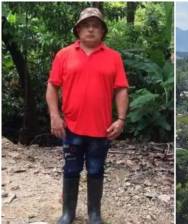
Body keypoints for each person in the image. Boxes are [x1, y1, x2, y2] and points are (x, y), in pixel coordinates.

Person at [46, 7, 129, 224]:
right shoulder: (64, 55)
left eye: (96, 26)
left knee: (96, 169)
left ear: (103, 31)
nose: (91, 29)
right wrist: (54, 116)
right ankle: (68, 213)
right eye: (86, 25)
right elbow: (52, 86)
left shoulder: (114, 57)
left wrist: (120, 119)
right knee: (71, 169)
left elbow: (121, 89)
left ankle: (94, 214)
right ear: (78, 29)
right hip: (71, 126)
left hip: (101, 129)